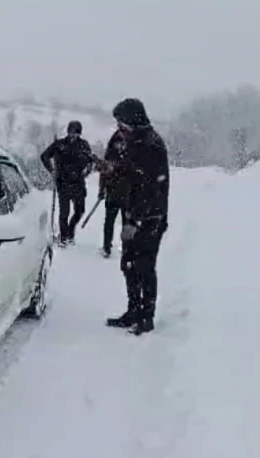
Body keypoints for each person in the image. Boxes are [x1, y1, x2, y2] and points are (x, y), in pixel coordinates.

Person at [104, 98, 169, 335]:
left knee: (144, 267)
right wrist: (113, 171)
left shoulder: (150, 145)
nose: (119, 128)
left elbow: (150, 190)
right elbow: (130, 176)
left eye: (122, 123)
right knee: (128, 265)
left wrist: (135, 221)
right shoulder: (136, 142)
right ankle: (133, 311)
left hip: (149, 220)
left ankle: (146, 317)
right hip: (134, 215)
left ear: (133, 120)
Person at [40, 120, 95, 246]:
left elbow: (90, 160)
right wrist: (52, 170)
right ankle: (64, 237)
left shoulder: (84, 145)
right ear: (68, 132)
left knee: (80, 210)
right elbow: (44, 156)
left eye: (76, 133)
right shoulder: (59, 144)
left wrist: (88, 170)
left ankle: (70, 231)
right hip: (63, 182)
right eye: (71, 132)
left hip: (78, 183)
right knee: (64, 212)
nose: (73, 135)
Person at [98, 130, 128, 258]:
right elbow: (104, 173)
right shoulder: (113, 155)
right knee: (112, 221)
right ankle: (108, 247)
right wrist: (101, 190)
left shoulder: (114, 154)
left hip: (124, 193)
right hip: (116, 193)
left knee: (122, 222)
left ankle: (113, 247)